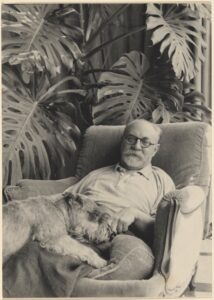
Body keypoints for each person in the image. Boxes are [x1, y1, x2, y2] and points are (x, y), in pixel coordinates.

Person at [62, 119, 176, 297]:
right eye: (131, 139)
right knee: (33, 255)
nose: (136, 146)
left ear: (155, 150)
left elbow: (166, 229)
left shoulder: (161, 181)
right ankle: (80, 287)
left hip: (125, 235)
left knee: (136, 260)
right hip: (79, 232)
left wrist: (136, 214)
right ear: (122, 142)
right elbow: (64, 201)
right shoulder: (96, 175)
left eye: (145, 142)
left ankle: (65, 287)